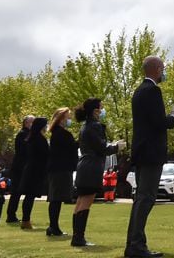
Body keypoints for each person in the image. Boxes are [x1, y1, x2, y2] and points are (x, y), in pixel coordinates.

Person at [125, 55, 174, 258]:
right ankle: (136, 245)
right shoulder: (152, 90)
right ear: (157, 69)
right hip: (151, 152)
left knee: (141, 199)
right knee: (146, 198)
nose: (164, 72)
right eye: (163, 68)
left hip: (143, 152)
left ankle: (134, 244)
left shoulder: (139, 91)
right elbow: (159, 123)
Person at [73, 98, 125, 248]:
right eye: (101, 108)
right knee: (86, 201)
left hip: (84, 165)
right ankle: (79, 238)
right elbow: (102, 148)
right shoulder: (94, 126)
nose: (102, 110)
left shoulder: (85, 126)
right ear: (95, 110)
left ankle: (77, 236)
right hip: (92, 166)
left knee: (81, 201)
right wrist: (116, 147)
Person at [46, 107, 78, 237]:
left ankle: (53, 226)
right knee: (56, 199)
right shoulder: (62, 134)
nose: (69, 120)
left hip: (57, 169)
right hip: (61, 169)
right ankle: (53, 227)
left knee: (56, 199)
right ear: (61, 119)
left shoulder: (57, 133)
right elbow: (71, 147)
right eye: (67, 117)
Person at [18, 117, 50, 230]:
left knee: (29, 196)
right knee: (30, 196)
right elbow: (44, 154)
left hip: (31, 169)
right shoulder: (39, 139)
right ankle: (26, 220)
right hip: (35, 170)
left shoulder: (31, 138)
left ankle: (25, 219)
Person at [5, 115, 34, 223]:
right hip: (20, 168)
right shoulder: (23, 134)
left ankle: (12, 215)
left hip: (21, 167)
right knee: (16, 192)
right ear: (26, 123)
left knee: (17, 193)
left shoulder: (26, 134)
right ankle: (11, 215)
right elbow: (25, 151)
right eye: (32, 122)